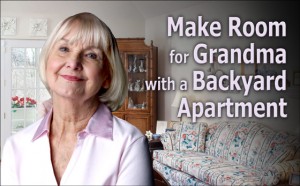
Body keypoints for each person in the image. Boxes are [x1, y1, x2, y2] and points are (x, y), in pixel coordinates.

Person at [1, 12, 153, 185]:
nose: (73, 62)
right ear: (47, 61)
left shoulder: (130, 143)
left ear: (107, 75)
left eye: (91, 55)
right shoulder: (16, 146)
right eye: (64, 49)